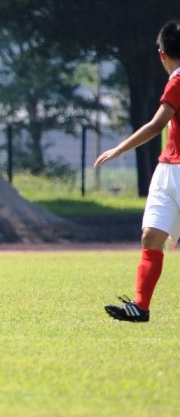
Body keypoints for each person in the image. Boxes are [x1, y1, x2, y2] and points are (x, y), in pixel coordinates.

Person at [94, 19, 180, 322]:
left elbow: (156, 125)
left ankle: (141, 306)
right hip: (167, 169)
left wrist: (118, 149)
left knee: (152, 237)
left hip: (174, 171)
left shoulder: (177, 80)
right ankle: (140, 306)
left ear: (162, 54)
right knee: (151, 235)